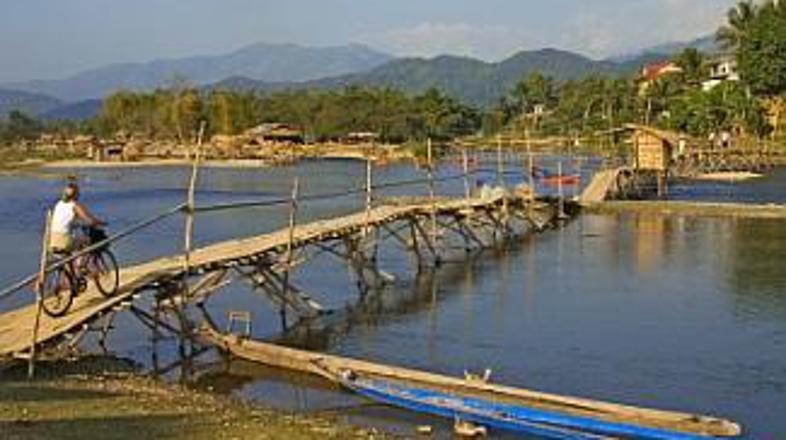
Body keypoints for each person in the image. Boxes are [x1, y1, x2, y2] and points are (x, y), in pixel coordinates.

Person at [49, 181, 106, 254]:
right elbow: (90, 221)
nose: (79, 195)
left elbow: (64, 221)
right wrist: (101, 223)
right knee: (87, 241)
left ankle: (74, 264)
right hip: (65, 241)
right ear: (75, 194)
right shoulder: (74, 205)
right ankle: (82, 263)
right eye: (78, 193)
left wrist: (77, 224)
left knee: (76, 241)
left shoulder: (59, 203)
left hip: (53, 241)